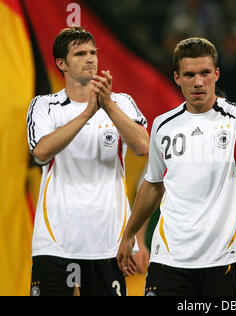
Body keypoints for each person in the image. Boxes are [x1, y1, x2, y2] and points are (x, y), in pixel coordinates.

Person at [116, 37, 236, 296]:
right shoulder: (162, 125)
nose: (198, 81)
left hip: (224, 261)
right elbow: (153, 185)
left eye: (205, 73)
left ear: (216, 74)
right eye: (189, 74)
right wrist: (130, 234)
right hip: (169, 260)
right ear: (177, 77)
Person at [26, 26, 149, 296]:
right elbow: (41, 151)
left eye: (93, 52)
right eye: (80, 53)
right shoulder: (44, 105)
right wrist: (86, 114)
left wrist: (107, 106)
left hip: (107, 243)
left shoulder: (122, 103)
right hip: (55, 243)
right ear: (61, 64)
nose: (90, 58)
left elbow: (142, 146)